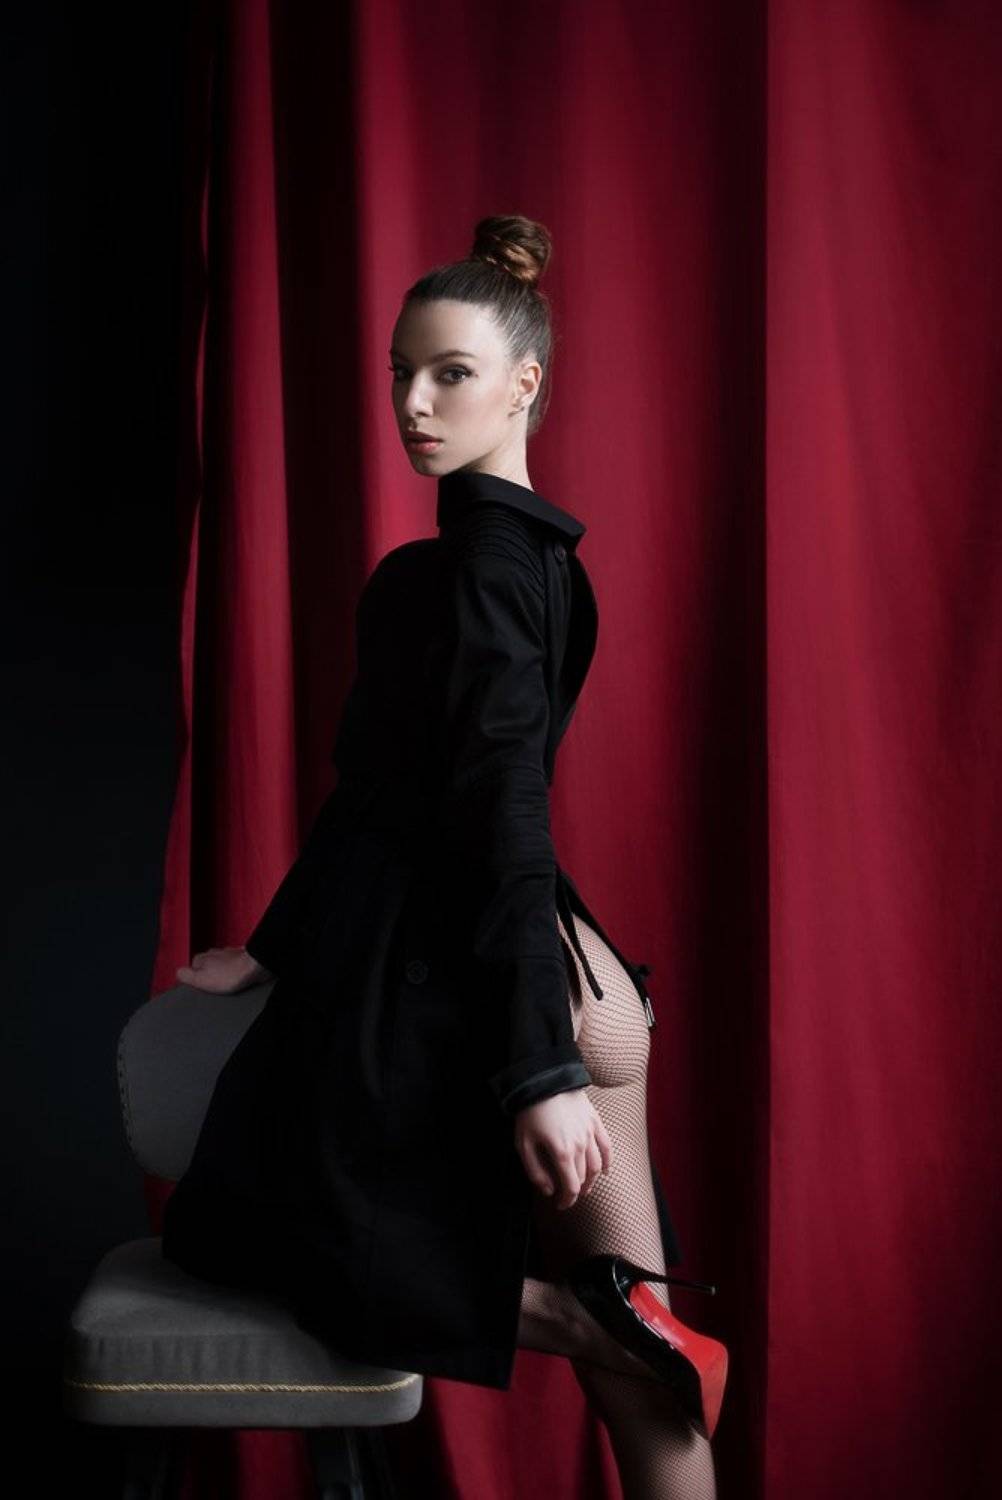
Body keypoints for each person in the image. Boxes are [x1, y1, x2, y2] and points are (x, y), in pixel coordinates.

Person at [162, 214, 724, 1497]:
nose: (414, 403)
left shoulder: (471, 572)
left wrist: (538, 1069)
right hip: (582, 982)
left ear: (524, 383)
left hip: (515, 985)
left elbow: (500, 813)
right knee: (651, 1378)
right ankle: (620, 1327)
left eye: (451, 373)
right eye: (401, 373)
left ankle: (586, 1319)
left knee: (244, 1224)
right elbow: (389, 797)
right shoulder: (526, 565)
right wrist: (274, 947)